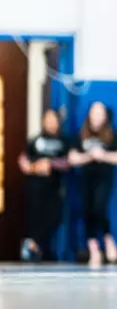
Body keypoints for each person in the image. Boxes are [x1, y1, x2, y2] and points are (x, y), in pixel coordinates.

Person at [69, 101, 117, 267]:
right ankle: (93, 248)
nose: (97, 117)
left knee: (100, 207)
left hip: (104, 178)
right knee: (88, 210)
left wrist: (103, 155)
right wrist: (90, 156)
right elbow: (72, 158)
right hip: (86, 179)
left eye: (100, 114)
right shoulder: (81, 135)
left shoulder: (112, 135)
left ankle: (108, 238)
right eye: (94, 113)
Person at [17, 108, 72, 262]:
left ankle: (33, 243)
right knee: (34, 217)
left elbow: (69, 162)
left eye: (53, 119)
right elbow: (24, 161)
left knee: (55, 216)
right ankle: (35, 248)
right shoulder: (35, 140)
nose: (50, 123)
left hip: (54, 186)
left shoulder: (64, 140)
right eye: (47, 119)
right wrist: (36, 167)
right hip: (35, 184)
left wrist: (50, 163)